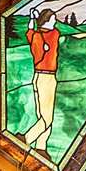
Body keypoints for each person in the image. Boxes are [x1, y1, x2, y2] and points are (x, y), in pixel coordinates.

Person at [21, 15, 63, 148]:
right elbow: (47, 37)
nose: (55, 21)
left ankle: (41, 147)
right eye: (53, 19)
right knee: (47, 119)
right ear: (46, 21)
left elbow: (30, 33)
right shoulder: (50, 35)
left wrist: (32, 23)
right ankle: (25, 140)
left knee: (42, 115)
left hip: (38, 77)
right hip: (47, 78)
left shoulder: (38, 35)